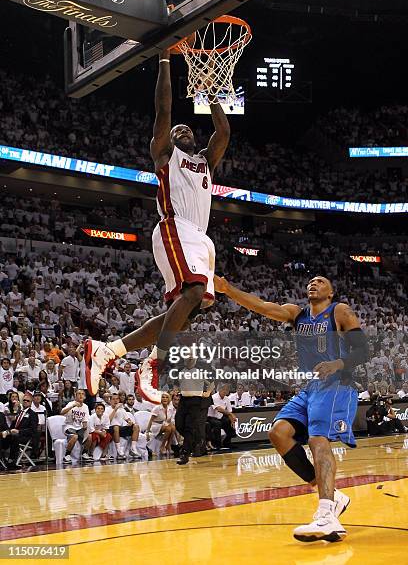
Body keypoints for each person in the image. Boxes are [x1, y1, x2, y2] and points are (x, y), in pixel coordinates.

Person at [83, 48, 230, 403]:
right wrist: (165, 59)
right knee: (194, 293)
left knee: (187, 312)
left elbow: (222, 132)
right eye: (176, 129)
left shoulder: (206, 161)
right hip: (174, 227)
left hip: (200, 239)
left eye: (186, 128)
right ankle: (156, 362)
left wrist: (211, 94)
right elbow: (163, 109)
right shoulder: (165, 155)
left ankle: (109, 350)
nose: (181, 130)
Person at [215, 274, 369, 543]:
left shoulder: (339, 311)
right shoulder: (297, 315)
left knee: (317, 439)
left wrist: (338, 364)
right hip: (311, 387)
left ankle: (326, 515)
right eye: (311, 281)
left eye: (321, 281)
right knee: (278, 433)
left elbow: (363, 351)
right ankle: (334, 497)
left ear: (331, 292)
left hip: (337, 384)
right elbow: (261, 306)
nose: (314, 283)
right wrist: (227, 289)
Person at [61, 389, 90, 464]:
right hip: (69, 426)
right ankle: (67, 455)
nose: (81, 395)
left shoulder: (85, 407)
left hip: (79, 428)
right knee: (75, 436)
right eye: (79, 393)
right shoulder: (71, 403)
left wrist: (85, 427)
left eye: (82, 394)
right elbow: (62, 412)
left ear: (85, 397)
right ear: (75, 396)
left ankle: (84, 453)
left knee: (90, 436)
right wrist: (72, 406)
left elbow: (85, 420)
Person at [207, 384, 237, 451]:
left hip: (220, 417)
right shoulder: (213, 397)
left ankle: (227, 442)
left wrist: (232, 420)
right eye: (223, 389)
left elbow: (230, 411)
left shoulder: (227, 399)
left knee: (228, 421)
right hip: (210, 417)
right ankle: (217, 444)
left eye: (226, 390)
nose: (225, 391)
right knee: (217, 424)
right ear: (219, 390)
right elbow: (218, 409)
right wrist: (230, 414)